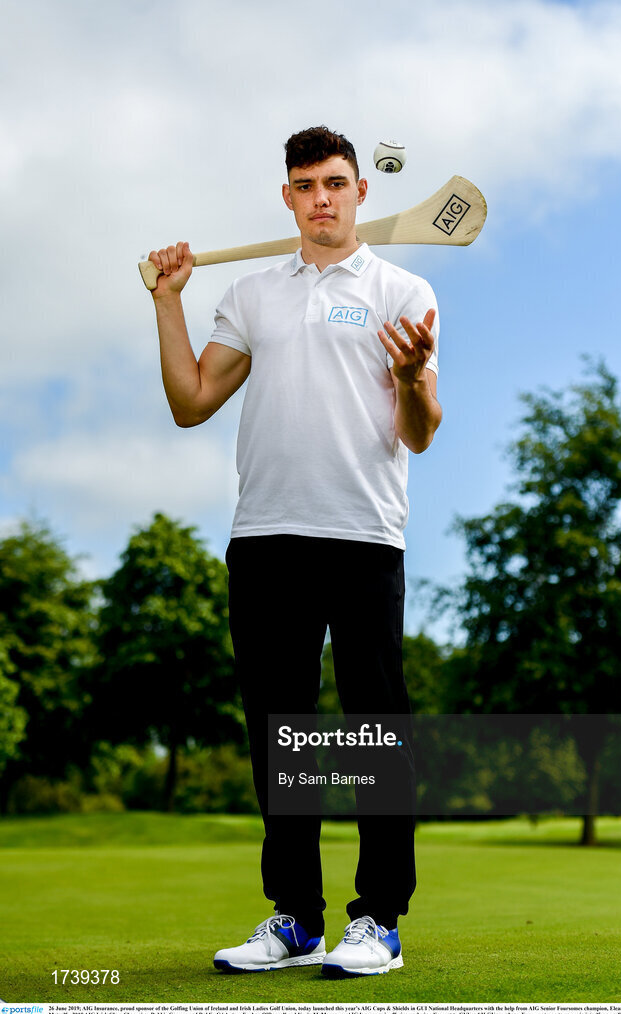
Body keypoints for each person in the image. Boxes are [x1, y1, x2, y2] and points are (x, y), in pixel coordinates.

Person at [148, 125, 442, 978]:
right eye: (306, 184)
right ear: (287, 196)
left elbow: (418, 436)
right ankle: (296, 918)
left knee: (373, 732)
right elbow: (192, 401)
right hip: (265, 537)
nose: (322, 197)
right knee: (283, 738)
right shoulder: (249, 296)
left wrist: (417, 376)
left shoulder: (402, 289)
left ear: (360, 193)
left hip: (361, 535)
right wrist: (167, 300)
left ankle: (378, 920)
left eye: (336, 183)